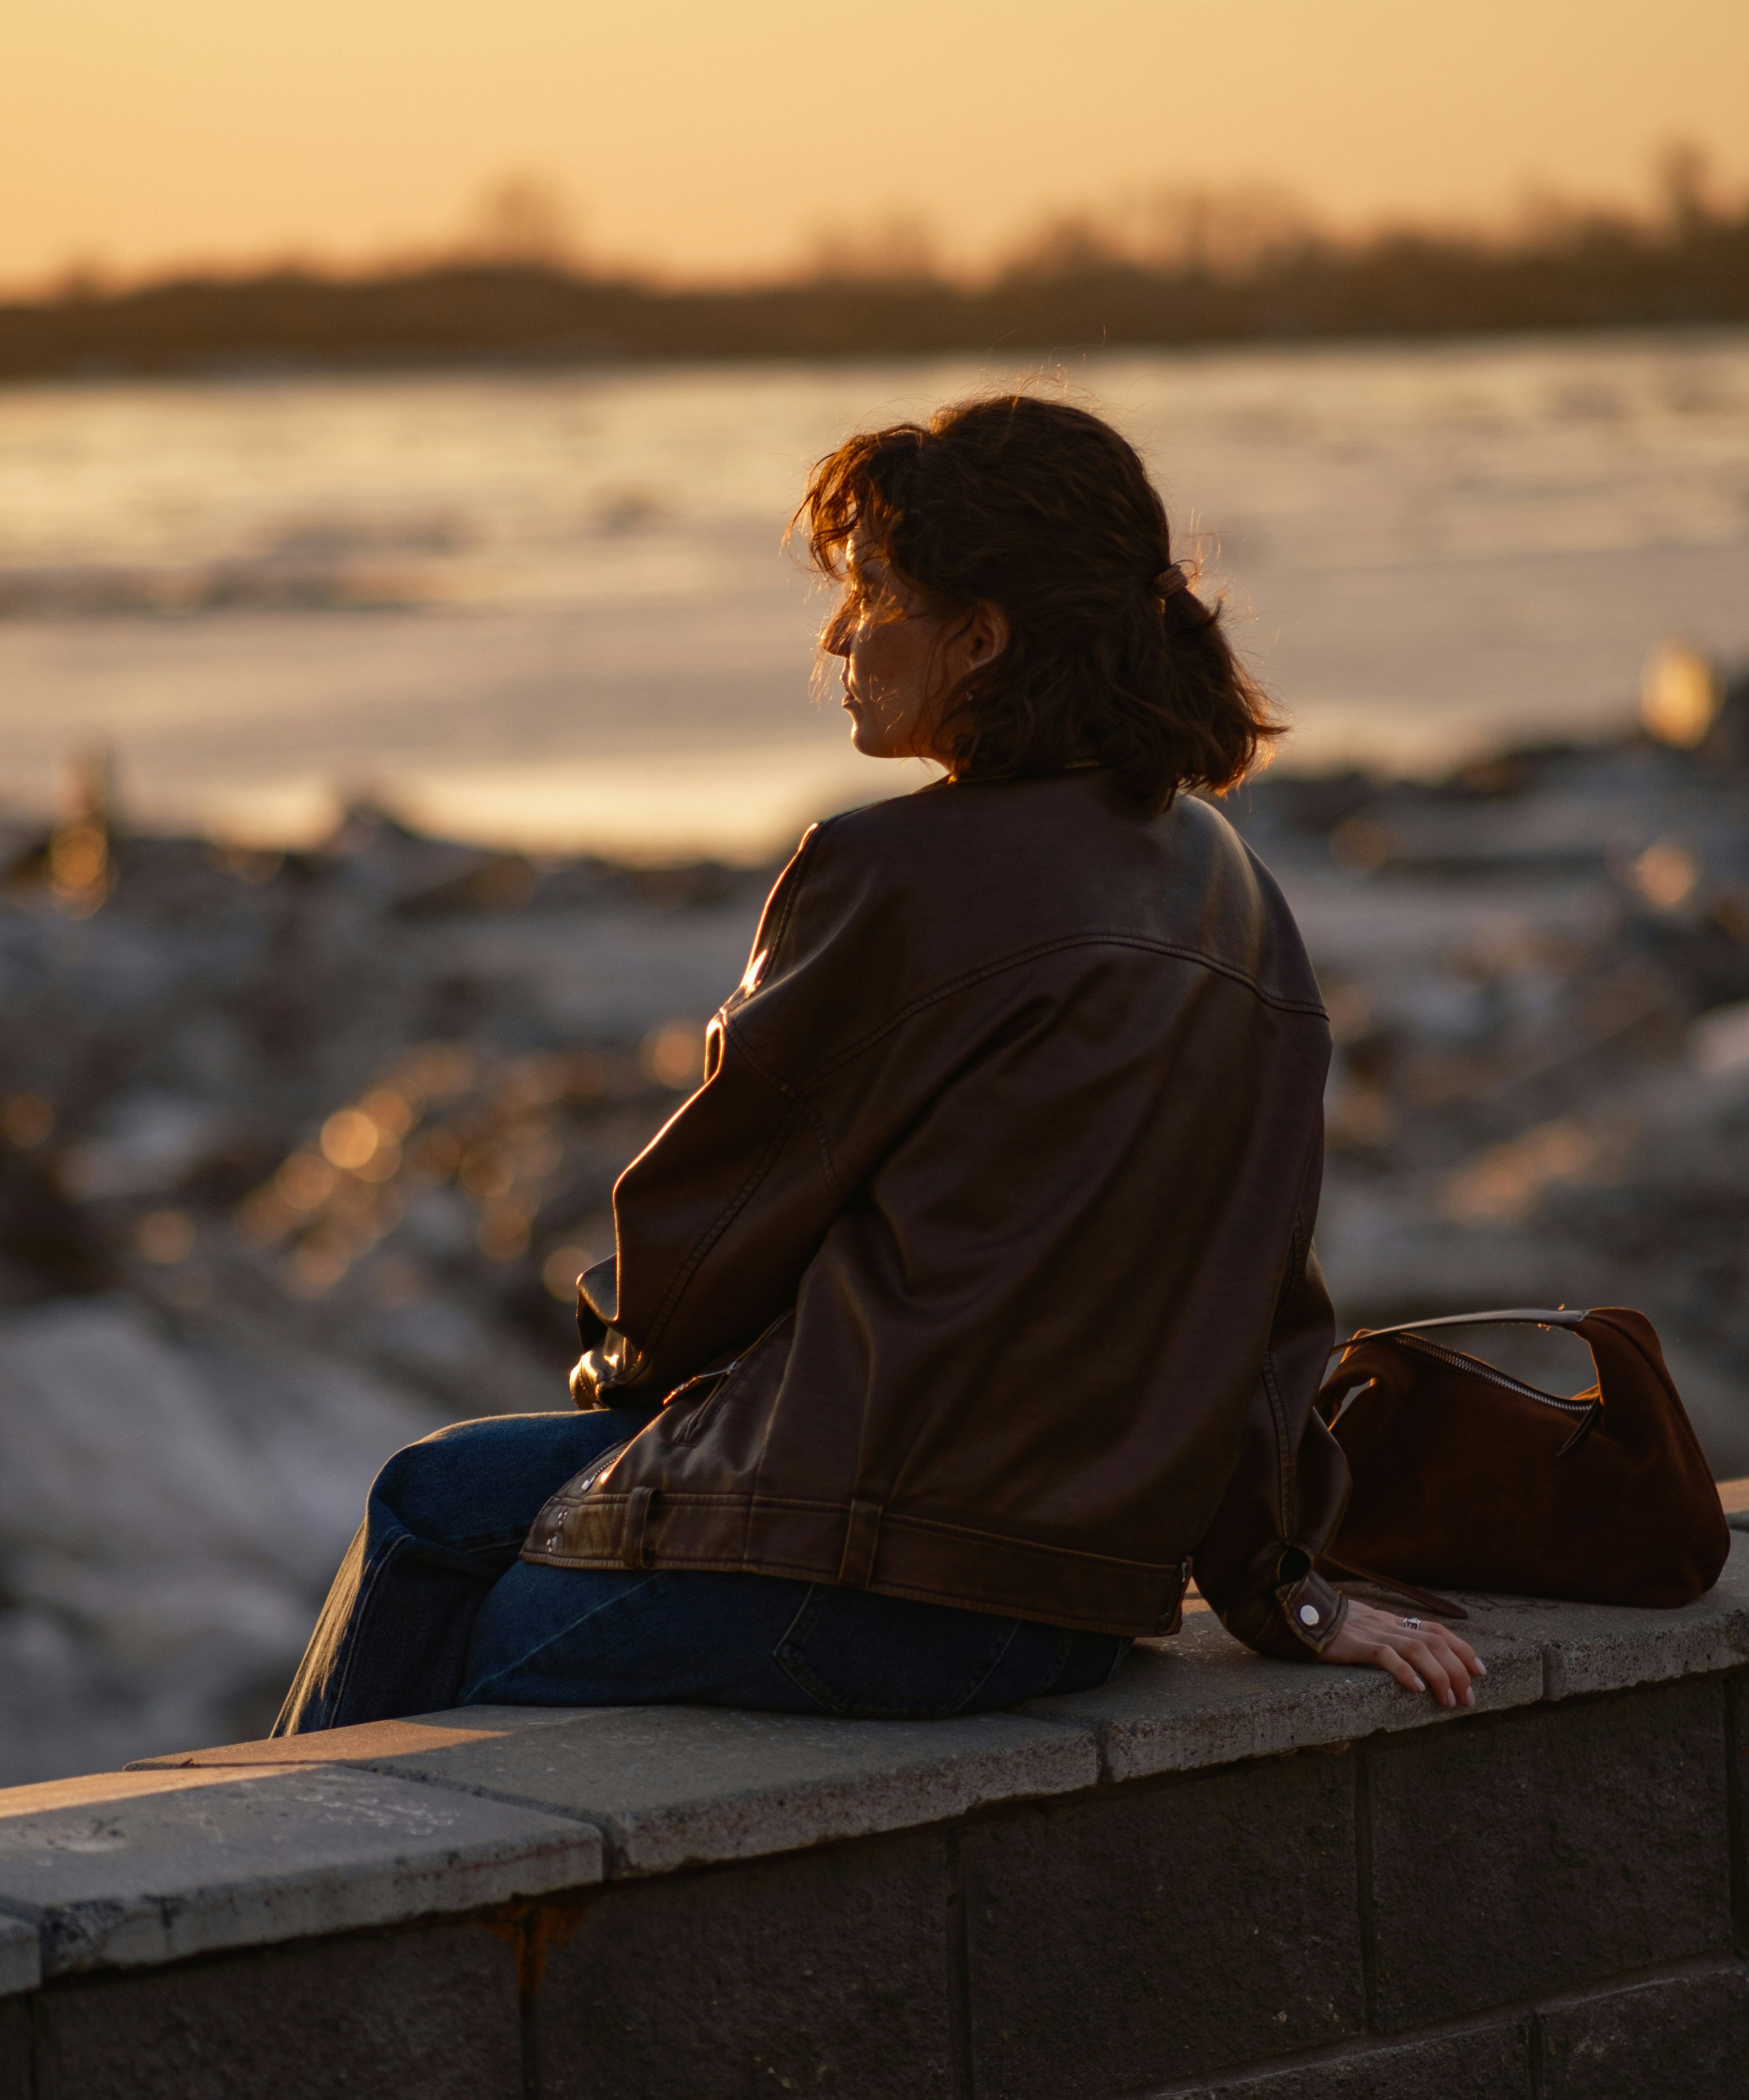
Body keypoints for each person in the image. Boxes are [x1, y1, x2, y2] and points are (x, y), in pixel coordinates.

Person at [275, 393, 1483, 1734]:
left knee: (433, 1652)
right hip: (1075, 1604)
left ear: (981, 637)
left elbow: (709, 1231)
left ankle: (275, 1895)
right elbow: (1260, 1291)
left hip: (861, 1578)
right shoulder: (1234, 889)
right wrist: (1280, 1591)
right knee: (433, 1493)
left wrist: (626, 1381)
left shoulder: (896, 873)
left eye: (871, 595)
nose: (837, 635)